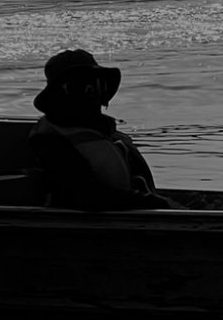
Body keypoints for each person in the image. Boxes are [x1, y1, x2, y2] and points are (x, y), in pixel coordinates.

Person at [26, 48, 162, 211]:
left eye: (95, 84)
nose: (91, 92)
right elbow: (85, 196)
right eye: (80, 85)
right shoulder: (50, 142)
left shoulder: (113, 138)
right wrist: (157, 203)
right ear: (61, 93)